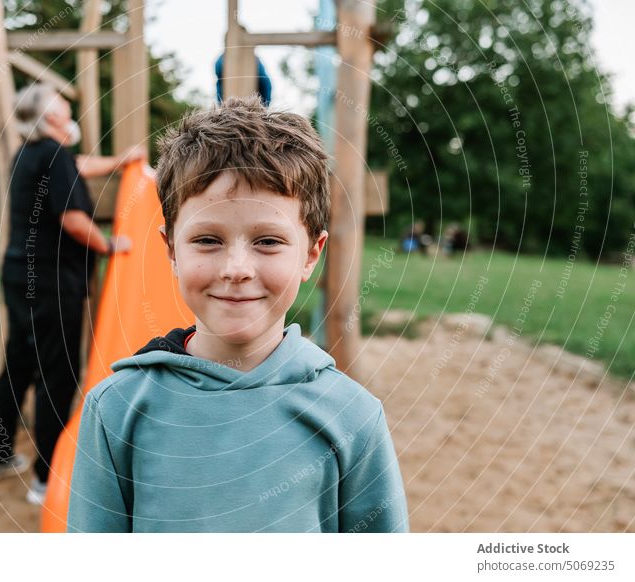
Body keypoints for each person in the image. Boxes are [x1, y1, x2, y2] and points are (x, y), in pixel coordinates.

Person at [66, 96, 408, 532]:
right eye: (208, 240)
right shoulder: (116, 409)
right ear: (171, 250)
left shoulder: (353, 416)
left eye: (268, 241)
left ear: (311, 255)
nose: (236, 270)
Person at [0, 83, 146, 505]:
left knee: (20, 361)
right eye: (64, 109)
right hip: (52, 282)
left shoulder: (30, 154)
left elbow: (77, 165)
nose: (70, 115)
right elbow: (71, 218)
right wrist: (107, 245)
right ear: (50, 118)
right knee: (58, 373)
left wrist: (119, 162)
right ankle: (47, 476)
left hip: (20, 276)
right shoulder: (53, 154)